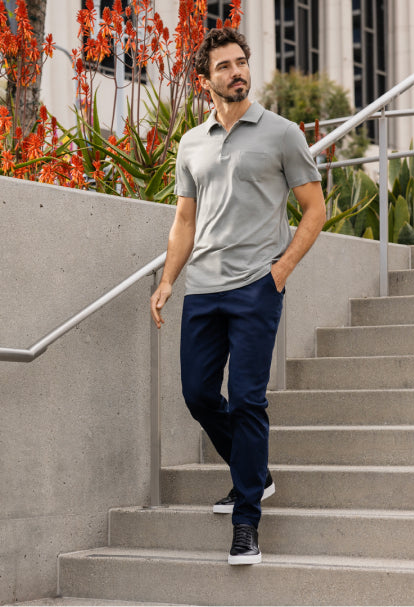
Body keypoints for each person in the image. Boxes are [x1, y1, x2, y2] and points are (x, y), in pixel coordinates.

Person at [149, 27, 325, 565]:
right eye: (223, 66)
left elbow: (314, 210)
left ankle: (247, 519)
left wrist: (281, 269)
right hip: (203, 288)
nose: (236, 71)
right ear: (206, 82)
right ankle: (255, 474)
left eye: (241, 62)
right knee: (199, 395)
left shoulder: (281, 133)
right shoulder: (191, 143)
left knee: (248, 398)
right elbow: (185, 219)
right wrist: (167, 280)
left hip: (256, 286)